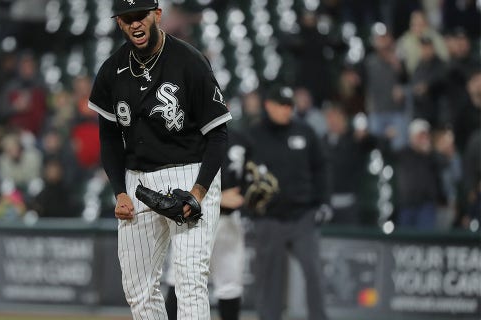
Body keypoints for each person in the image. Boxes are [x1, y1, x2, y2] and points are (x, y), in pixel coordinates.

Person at [88, 1, 232, 319]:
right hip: (137, 180)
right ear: (119, 24)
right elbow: (110, 138)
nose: (135, 24)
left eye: (139, 16)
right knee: (138, 290)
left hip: (191, 174)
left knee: (189, 281)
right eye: (127, 19)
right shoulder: (112, 70)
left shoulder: (190, 62)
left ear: (156, 15)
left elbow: (219, 135)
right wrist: (119, 191)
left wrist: (198, 193)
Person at [248, 86, 330, 320]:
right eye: (282, 105)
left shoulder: (305, 132)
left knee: (314, 272)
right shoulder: (255, 135)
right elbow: (241, 172)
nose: (287, 110)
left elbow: (321, 167)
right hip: (269, 217)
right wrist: (247, 209)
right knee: (271, 279)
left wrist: (323, 201)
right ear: (268, 105)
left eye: (289, 105)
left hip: (302, 216)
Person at [165, 129, 252, 320]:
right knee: (180, 278)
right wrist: (220, 198)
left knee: (229, 285)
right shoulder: (189, 133)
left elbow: (250, 181)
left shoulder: (241, 138)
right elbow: (176, 181)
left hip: (227, 221)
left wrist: (247, 195)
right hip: (195, 216)